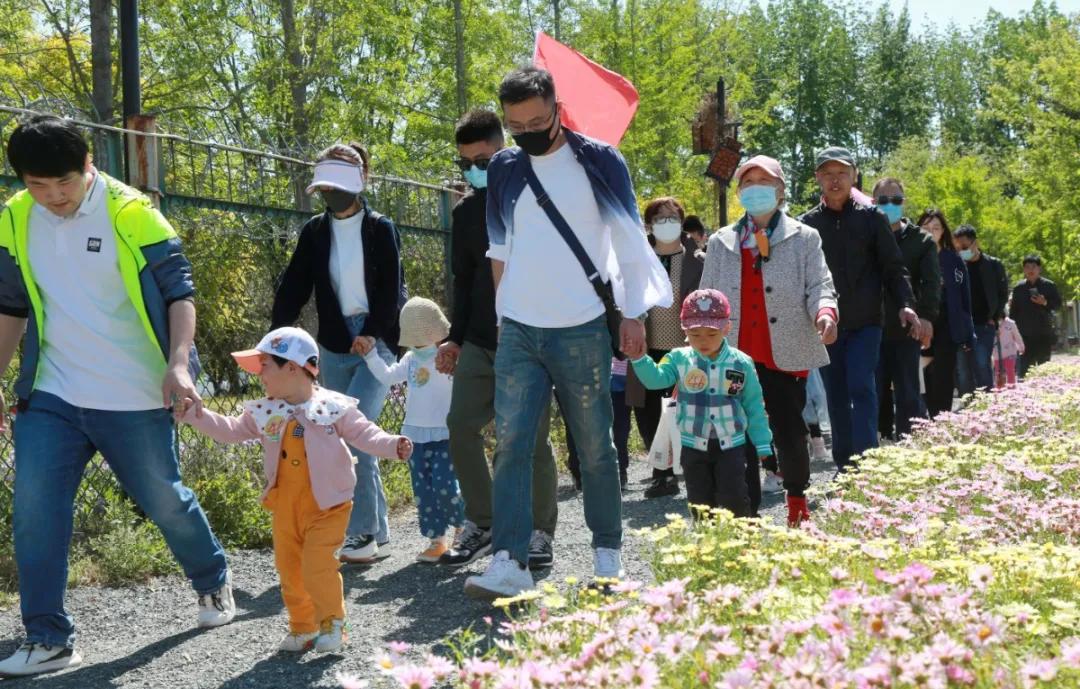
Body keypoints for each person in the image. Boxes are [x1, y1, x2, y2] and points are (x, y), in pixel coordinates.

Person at [0, 116, 232, 676]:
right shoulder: (14, 216)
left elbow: (180, 292)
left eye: (64, 184)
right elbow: (10, 306)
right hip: (52, 392)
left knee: (165, 499)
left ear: (88, 166)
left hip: (135, 393)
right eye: (38, 185)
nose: (53, 198)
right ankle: (48, 637)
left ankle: (212, 580)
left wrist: (180, 364)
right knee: (34, 511)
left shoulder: (132, 212)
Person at [463, 67, 671, 599]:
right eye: (515, 124)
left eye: (537, 119)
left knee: (596, 446)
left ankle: (607, 555)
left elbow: (628, 241)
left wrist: (630, 315)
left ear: (557, 108)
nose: (527, 130)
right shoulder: (505, 169)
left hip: (581, 328)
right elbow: (498, 252)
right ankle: (509, 561)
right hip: (520, 332)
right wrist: (504, 320)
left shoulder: (599, 160)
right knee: (510, 446)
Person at [180, 327, 412, 654]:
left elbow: (365, 434)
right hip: (286, 507)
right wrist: (195, 415)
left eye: (265, 367)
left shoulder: (333, 406)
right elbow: (230, 430)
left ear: (292, 367)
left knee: (317, 566)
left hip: (328, 506)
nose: (260, 375)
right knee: (289, 570)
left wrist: (392, 444)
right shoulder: (265, 410)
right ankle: (303, 628)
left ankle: (332, 624)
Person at [435, 109, 560, 570]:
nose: (475, 169)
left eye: (484, 159)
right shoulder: (466, 212)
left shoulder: (535, 197)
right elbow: (464, 283)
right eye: (466, 162)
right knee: (460, 427)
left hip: (531, 341)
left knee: (530, 441)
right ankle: (483, 520)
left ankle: (539, 531)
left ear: (504, 148)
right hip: (480, 343)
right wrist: (454, 338)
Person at [272, 143, 404, 564]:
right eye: (325, 189)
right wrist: (278, 337)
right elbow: (295, 284)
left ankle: (360, 533)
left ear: (360, 181)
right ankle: (377, 532)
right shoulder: (314, 232)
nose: (331, 196)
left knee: (352, 432)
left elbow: (390, 291)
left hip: (374, 342)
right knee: (349, 432)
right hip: (332, 342)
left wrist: (370, 334)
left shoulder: (380, 228)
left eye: (338, 187)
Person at [700, 155, 837, 526]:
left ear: (779, 190)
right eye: (748, 182)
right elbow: (706, 299)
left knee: (789, 429)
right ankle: (746, 511)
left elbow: (820, 285)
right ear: (740, 192)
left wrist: (825, 312)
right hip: (735, 354)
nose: (756, 189)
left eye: (765, 181)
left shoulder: (804, 237)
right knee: (736, 433)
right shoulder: (721, 241)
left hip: (785, 350)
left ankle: (796, 501)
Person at [799, 147, 918, 471]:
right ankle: (845, 466)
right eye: (828, 174)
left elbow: (894, 269)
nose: (835, 180)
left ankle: (866, 463)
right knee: (835, 393)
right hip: (825, 326)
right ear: (818, 179)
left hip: (867, 323)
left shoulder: (872, 219)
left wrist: (907, 305)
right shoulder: (806, 226)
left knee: (861, 385)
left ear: (854, 177)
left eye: (842, 173)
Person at [631, 289, 773, 518]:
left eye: (711, 334)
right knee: (700, 502)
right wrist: (639, 359)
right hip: (693, 445)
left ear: (726, 328)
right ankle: (707, 545)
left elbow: (754, 405)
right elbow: (655, 380)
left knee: (734, 497)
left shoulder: (741, 362)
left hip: (732, 444)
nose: (703, 341)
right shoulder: (678, 358)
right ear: (684, 330)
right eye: (696, 334)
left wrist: (763, 444)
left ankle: (739, 542)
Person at [356, 298, 464, 562]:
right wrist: (370, 355)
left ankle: (463, 528)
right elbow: (388, 375)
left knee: (446, 485)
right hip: (415, 435)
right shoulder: (411, 358)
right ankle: (436, 539)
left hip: (444, 433)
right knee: (423, 489)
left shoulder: (450, 356)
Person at [631, 197, 704, 500]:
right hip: (647, 348)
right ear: (648, 224)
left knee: (683, 411)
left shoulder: (697, 260)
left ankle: (691, 468)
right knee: (647, 412)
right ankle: (662, 473)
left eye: (672, 217)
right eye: (659, 217)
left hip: (684, 349)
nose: (666, 222)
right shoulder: (637, 258)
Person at [872, 178, 940, 441]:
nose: (890, 205)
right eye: (883, 200)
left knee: (909, 392)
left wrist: (926, 318)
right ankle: (871, 449)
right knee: (871, 392)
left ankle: (910, 446)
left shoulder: (921, 240)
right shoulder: (866, 235)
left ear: (904, 202)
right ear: (873, 202)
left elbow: (932, 283)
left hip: (907, 329)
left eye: (896, 200)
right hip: (869, 327)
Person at [916, 209, 975, 418]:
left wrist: (968, 330)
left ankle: (942, 420)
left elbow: (964, 297)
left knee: (943, 374)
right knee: (922, 375)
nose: (932, 232)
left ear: (943, 231)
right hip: (919, 323)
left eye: (936, 228)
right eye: (926, 228)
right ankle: (926, 419)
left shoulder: (953, 259)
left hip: (948, 324)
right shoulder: (913, 255)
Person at [952, 225, 1009, 394]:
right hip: (962, 326)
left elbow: (1002, 293)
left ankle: (986, 404)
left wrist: (995, 316)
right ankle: (968, 407)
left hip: (985, 324)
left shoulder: (994, 265)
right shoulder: (957, 266)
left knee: (981, 363)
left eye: (964, 246)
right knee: (962, 369)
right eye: (957, 247)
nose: (961, 251)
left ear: (975, 243)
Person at [1010, 255, 1062, 378]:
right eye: (1027, 267)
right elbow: (1013, 313)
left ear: (1039, 269)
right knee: (1024, 371)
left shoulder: (1049, 286)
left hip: (1043, 334)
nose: (1030, 270)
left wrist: (1045, 302)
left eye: (1034, 267)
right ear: (1023, 270)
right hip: (1024, 336)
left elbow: (1058, 305)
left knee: (1043, 370)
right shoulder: (1018, 288)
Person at [993, 314, 1024, 389]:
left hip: (1010, 352)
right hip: (997, 354)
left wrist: (1021, 346)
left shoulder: (1011, 323)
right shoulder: (991, 324)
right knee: (998, 372)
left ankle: (1012, 388)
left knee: (1010, 370)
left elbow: (1017, 335)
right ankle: (1000, 389)